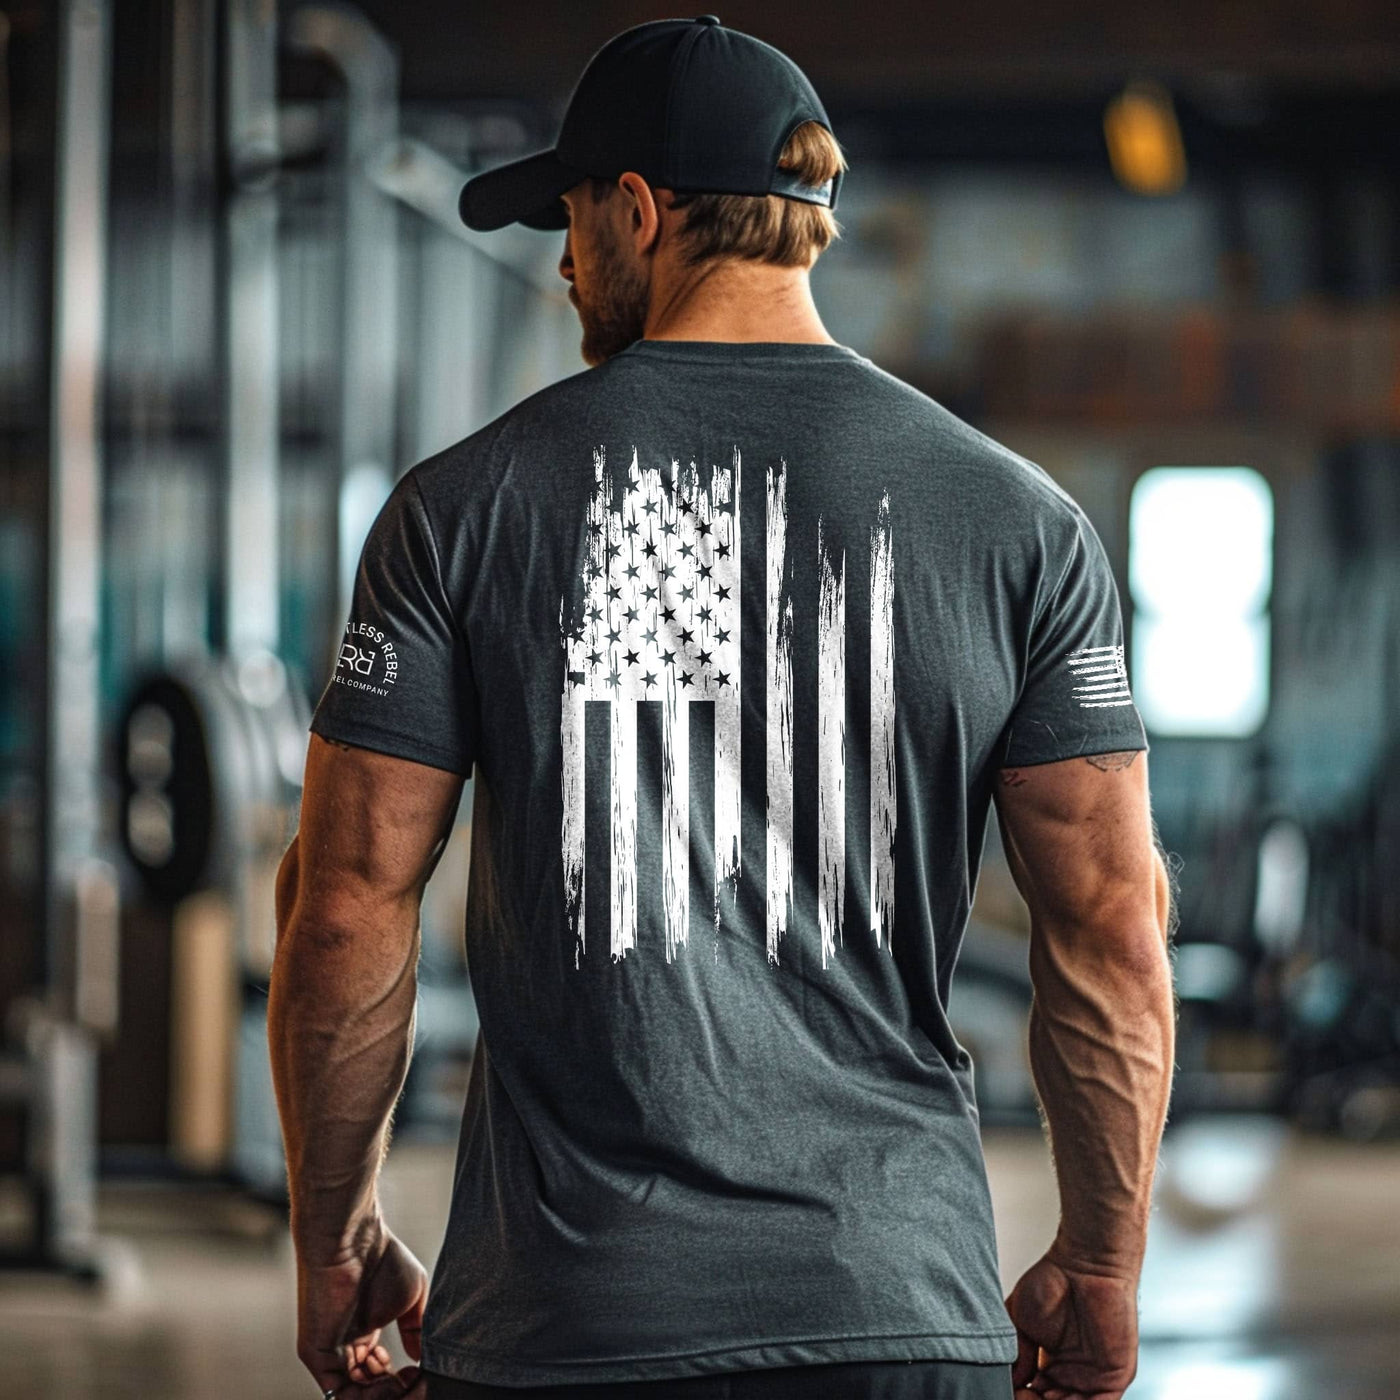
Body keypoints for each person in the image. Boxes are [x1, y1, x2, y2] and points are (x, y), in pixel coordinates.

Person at [267, 15, 1176, 1400]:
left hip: (569, 1330)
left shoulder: (461, 510)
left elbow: (344, 908)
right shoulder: (1022, 527)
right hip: (893, 1314)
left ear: (639, 210)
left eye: (572, 223)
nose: (567, 266)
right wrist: (1104, 1265)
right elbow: (1113, 925)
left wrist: (334, 1239)